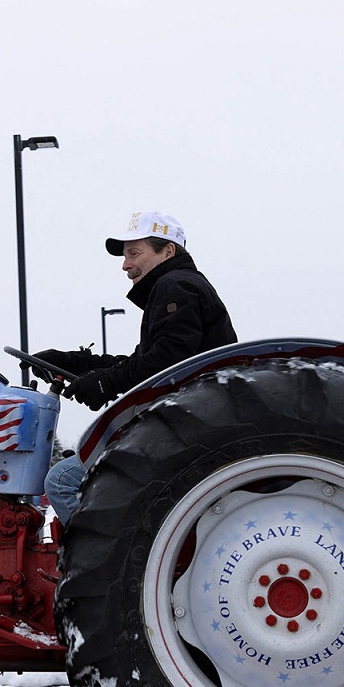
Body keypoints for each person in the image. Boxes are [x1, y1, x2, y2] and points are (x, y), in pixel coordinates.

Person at [33, 210, 237, 524]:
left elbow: (166, 364)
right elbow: (142, 363)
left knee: (62, 481)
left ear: (167, 251)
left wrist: (103, 383)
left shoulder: (177, 287)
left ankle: (109, 571)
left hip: (187, 428)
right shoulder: (177, 286)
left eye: (134, 253)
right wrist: (73, 362)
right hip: (187, 421)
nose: (126, 264)